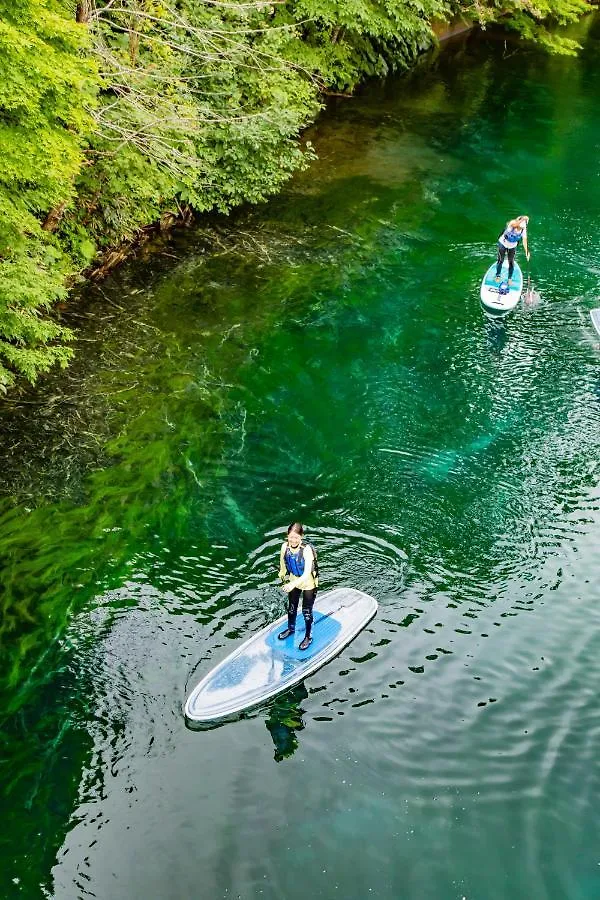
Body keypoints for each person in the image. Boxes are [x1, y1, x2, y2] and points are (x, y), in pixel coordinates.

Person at [277, 522, 318, 651]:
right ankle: (291, 629)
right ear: (287, 536)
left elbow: (306, 574)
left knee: (306, 611)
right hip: (293, 579)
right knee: (292, 607)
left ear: (301, 537)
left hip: (308, 584)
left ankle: (308, 637)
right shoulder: (284, 547)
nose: (293, 540)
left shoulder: (306, 550)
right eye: (291, 537)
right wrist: (282, 574)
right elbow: (283, 565)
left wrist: (292, 584)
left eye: (296, 537)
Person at [495, 215, 530, 284]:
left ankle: (509, 278)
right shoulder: (512, 223)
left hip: (512, 246)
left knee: (511, 262)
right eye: (523, 222)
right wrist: (522, 219)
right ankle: (498, 276)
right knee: (500, 260)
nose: (524, 224)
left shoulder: (523, 229)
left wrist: (527, 252)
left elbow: (524, 241)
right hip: (503, 243)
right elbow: (515, 224)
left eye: (526, 222)